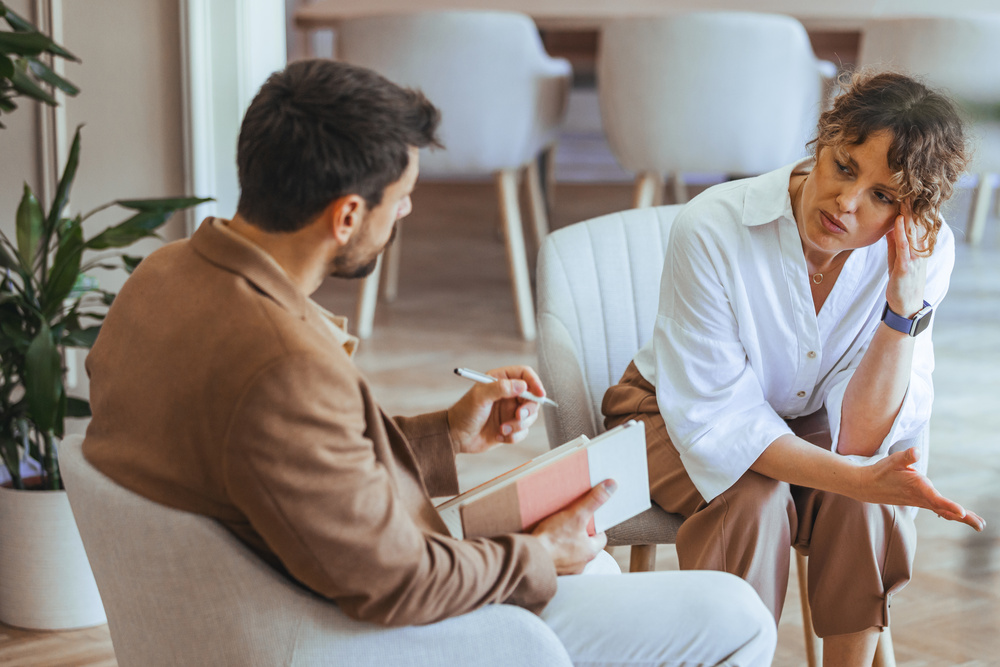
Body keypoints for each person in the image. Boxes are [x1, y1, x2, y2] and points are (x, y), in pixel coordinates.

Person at [82, 59, 776, 666]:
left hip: (288, 590)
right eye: (403, 196)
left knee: (588, 560)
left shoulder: (165, 277)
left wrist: (448, 433)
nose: (411, 207)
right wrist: (540, 553)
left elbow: (287, 466)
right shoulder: (282, 364)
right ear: (347, 215)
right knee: (734, 615)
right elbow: (396, 581)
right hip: (360, 632)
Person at [603, 69, 986, 667]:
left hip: (809, 420)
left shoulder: (922, 252)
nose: (847, 202)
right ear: (823, 139)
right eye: (844, 166)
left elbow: (861, 438)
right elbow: (721, 422)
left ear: (910, 212)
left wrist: (901, 308)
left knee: (869, 496)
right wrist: (853, 474)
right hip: (671, 410)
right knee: (751, 498)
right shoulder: (713, 227)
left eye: (883, 196)